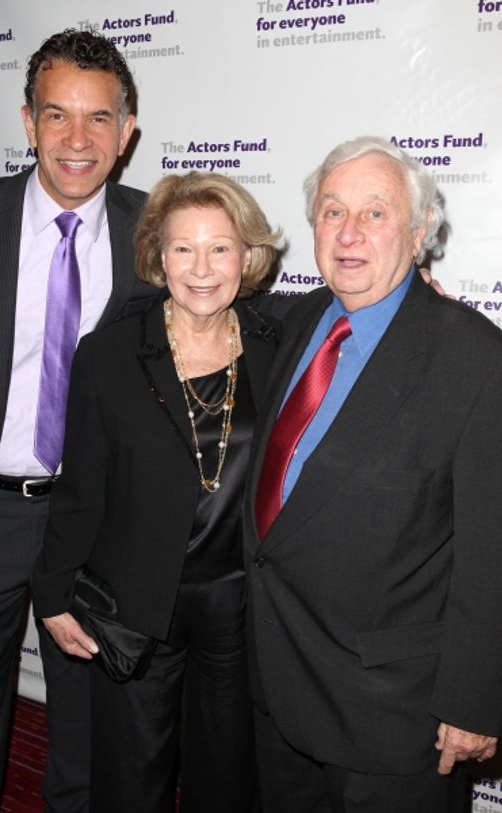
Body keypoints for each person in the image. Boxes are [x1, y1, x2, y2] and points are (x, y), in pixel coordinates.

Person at [0, 29, 155, 813]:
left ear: (126, 132)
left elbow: (239, 297)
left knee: (83, 719)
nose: (78, 139)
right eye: (56, 115)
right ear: (27, 121)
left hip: (93, 521)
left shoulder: (154, 231)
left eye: (99, 118)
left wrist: (384, 293)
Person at [243, 135, 502, 812]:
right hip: (277, 685)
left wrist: (474, 700)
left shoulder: (476, 358)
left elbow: (492, 549)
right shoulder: (297, 319)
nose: (349, 231)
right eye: (333, 211)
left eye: (376, 213)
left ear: (419, 232)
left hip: (392, 715)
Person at [31, 171, 282, 812]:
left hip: (238, 607)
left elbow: (354, 310)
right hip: (134, 604)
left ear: (248, 255)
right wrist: (52, 593)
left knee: (227, 779)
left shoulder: (278, 343)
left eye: (220, 248)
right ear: (157, 256)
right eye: (183, 248)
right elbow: (81, 486)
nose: (201, 268)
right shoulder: (109, 354)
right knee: (130, 778)